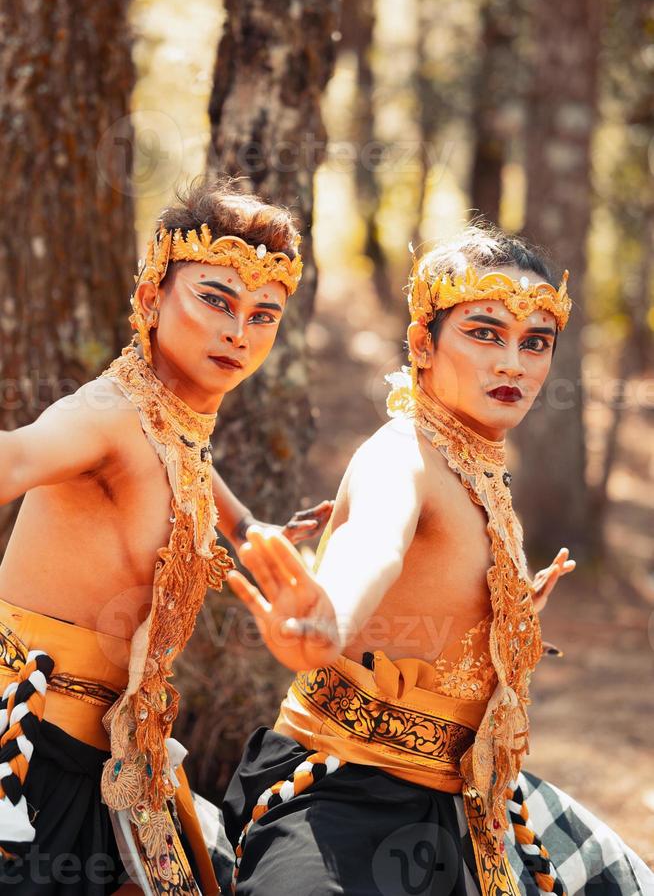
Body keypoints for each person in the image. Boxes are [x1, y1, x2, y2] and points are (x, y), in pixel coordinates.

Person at [223, 225, 654, 896]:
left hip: (464, 799)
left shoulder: (477, 462)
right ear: (424, 344)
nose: (513, 363)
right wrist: (327, 617)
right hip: (345, 790)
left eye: (534, 342)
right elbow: (375, 544)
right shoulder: (403, 457)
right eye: (485, 333)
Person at [0, 177, 330, 895]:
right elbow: (17, 457)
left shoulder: (174, 424)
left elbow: (195, 479)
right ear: (151, 299)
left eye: (263, 314)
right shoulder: (109, 414)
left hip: (115, 762)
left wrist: (255, 532)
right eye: (215, 300)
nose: (238, 331)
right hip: (28, 754)